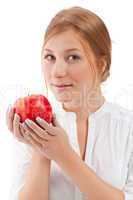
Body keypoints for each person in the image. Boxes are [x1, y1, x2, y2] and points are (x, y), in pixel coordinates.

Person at [6, 6, 133, 200]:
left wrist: (64, 155)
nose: (57, 71)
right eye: (50, 57)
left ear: (101, 64)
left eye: (72, 57)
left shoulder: (128, 128)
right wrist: (41, 150)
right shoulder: (32, 128)